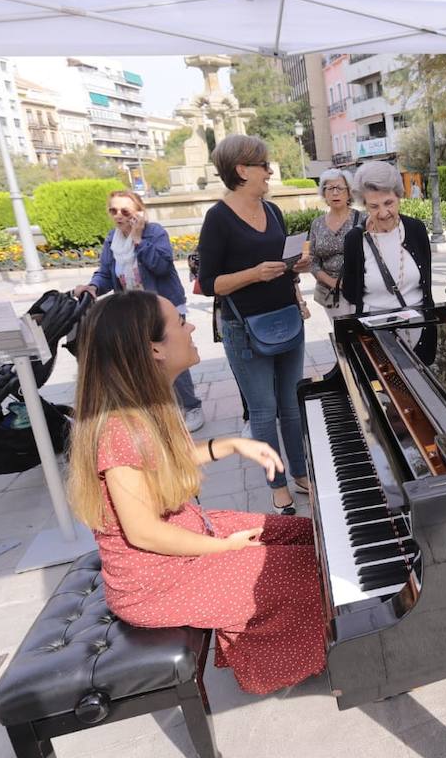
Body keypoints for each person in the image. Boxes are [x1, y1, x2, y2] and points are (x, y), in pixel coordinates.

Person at [66, 290, 326, 695]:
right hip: (155, 579)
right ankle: (275, 664)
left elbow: (165, 458)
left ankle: (287, 635)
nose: (190, 327)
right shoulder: (119, 429)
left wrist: (230, 445)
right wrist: (228, 551)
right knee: (307, 571)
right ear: (154, 348)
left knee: (309, 534)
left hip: (187, 536)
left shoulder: (144, 405)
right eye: (180, 322)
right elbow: (144, 534)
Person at [196, 135, 312, 513]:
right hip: (244, 328)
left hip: (287, 318)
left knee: (292, 404)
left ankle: (300, 472)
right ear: (242, 170)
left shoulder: (274, 210)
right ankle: (276, 483)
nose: (270, 171)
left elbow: (280, 261)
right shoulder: (217, 219)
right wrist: (253, 274)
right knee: (263, 411)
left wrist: (295, 266)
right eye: (263, 164)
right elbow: (209, 284)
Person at [74, 189, 204, 433]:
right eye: (113, 210)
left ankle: (191, 405)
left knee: (172, 356)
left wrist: (137, 239)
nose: (119, 216)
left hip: (163, 309)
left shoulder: (154, 233)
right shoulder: (112, 240)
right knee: (142, 361)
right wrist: (92, 286)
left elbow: (162, 266)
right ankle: (159, 408)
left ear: (139, 212)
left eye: (125, 211)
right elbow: (105, 273)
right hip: (132, 313)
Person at [339, 160, 433, 319]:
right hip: (375, 329)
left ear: (399, 197)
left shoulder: (416, 229)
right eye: (374, 206)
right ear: (365, 205)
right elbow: (350, 292)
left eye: (388, 203)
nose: (383, 213)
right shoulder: (354, 240)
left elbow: (426, 282)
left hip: (420, 324)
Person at [306, 167, 363, 318]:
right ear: (324, 193)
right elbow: (311, 261)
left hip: (361, 289)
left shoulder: (363, 220)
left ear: (349, 192)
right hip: (331, 294)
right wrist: (333, 283)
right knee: (343, 336)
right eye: (330, 188)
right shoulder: (317, 224)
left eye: (340, 188)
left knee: (365, 337)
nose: (335, 193)